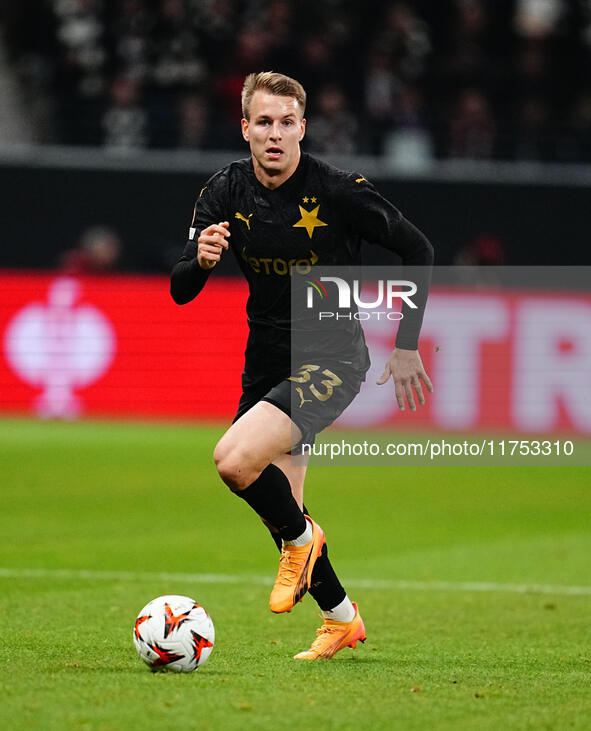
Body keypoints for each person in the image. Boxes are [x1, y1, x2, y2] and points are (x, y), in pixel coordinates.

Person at [170, 71, 434, 660]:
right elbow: (181, 290)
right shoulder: (223, 193)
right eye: (263, 122)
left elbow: (418, 248)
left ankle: (301, 540)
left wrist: (407, 342)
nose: (275, 134)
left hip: (331, 356)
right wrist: (200, 262)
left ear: (302, 129)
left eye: (287, 123)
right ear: (245, 128)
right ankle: (342, 619)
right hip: (264, 361)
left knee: (233, 461)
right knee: (283, 511)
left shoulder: (337, 191)